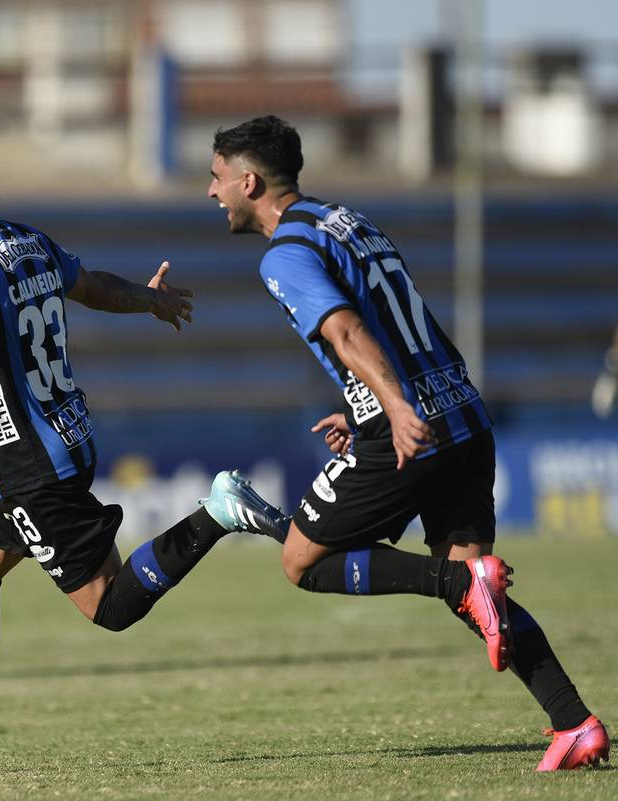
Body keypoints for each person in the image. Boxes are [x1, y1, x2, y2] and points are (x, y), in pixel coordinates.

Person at [206, 115, 609, 771]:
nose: (211, 191)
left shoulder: (284, 252)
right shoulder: (347, 221)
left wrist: (391, 407)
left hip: (409, 428)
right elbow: (394, 322)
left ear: (248, 182)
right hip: (464, 415)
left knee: (302, 561)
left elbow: (347, 331)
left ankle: (460, 580)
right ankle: (575, 724)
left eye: (217, 177)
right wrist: (362, 400)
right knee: (481, 601)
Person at [0, 143, 286, 774]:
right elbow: (93, 287)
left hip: (28, 465)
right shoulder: (26, 241)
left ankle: (218, 514)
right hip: (62, 437)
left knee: (109, 606)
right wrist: (149, 300)